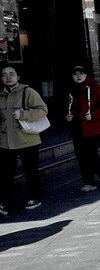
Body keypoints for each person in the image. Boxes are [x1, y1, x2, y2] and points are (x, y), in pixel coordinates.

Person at [0, 65, 48, 213]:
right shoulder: (1, 95)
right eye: (4, 75)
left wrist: (24, 114)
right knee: (5, 173)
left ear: (18, 77)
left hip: (27, 139)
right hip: (6, 141)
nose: (8, 77)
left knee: (30, 170)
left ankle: (35, 196)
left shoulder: (28, 92)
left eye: (11, 74)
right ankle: (4, 202)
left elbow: (42, 110)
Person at [67, 64, 100, 193]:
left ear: (86, 75)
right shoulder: (71, 89)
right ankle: (89, 182)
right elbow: (69, 107)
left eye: (81, 73)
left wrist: (94, 115)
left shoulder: (94, 87)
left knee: (91, 153)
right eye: (75, 74)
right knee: (81, 155)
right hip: (77, 127)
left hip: (94, 127)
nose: (78, 76)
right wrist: (68, 116)